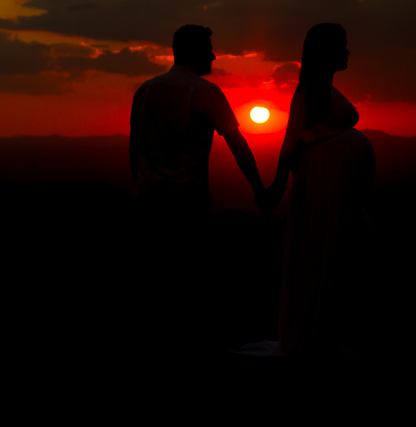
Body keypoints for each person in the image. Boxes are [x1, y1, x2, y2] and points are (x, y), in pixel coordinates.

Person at [128, 24, 268, 353]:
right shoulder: (207, 92)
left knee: (155, 288)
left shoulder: (145, 90)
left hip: (149, 207)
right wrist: (260, 190)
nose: (214, 56)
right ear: (192, 52)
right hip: (190, 208)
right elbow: (238, 146)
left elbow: (135, 148)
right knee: (193, 287)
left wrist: (140, 188)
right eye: (208, 49)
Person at [262, 22, 376, 358]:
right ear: (325, 50)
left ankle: (334, 329)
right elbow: (290, 143)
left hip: (334, 182)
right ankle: (322, 332)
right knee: (340, 247)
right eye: (341, 45)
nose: (347, 51)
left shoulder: (321, 86)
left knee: (352, 249)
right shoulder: (310, 88)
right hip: (323, 181)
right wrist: (277, 187)